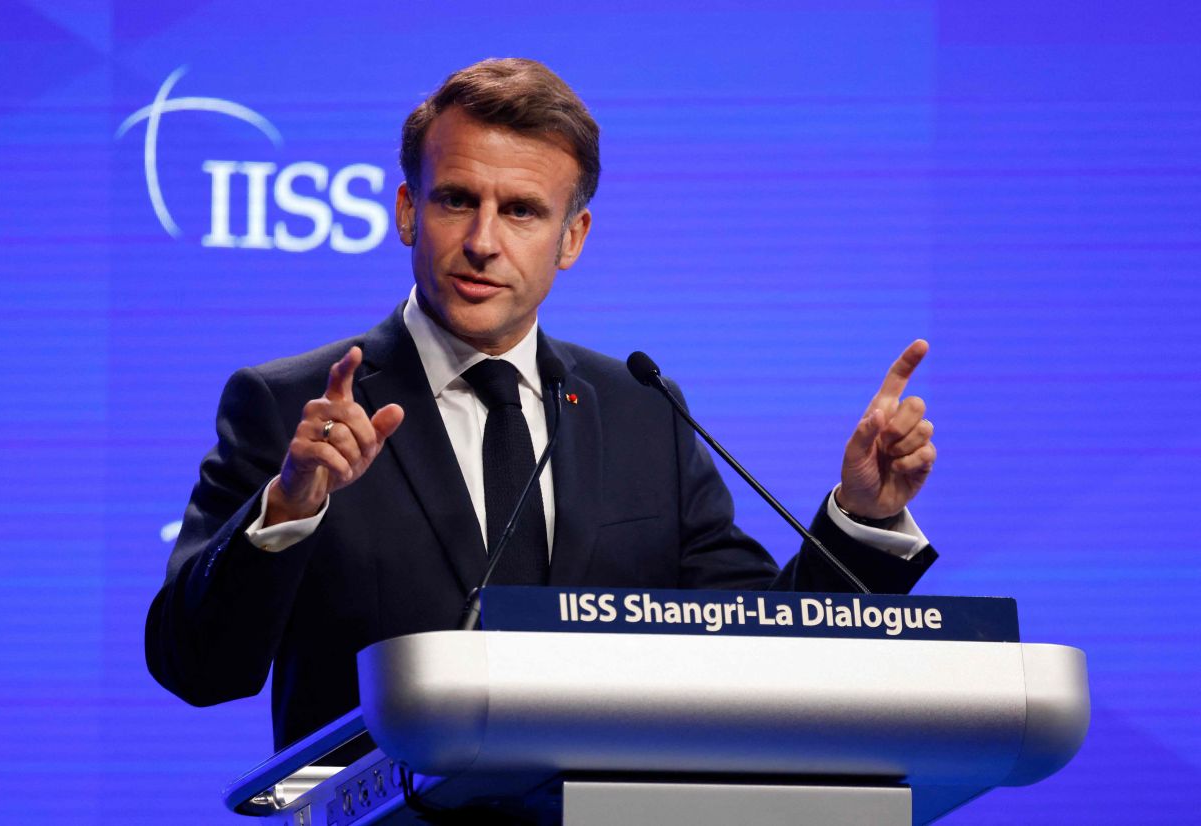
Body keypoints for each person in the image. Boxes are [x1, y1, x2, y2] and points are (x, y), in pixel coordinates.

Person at [146, 58, 939, 756]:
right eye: (457, 200)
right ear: (407, 212)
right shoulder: (291, 408)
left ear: (573, 237)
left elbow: (758, 647)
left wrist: (860, 521)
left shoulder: (639, 412)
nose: (484, 241)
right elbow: (198, 668)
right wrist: (288, 507)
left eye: (522, 210)